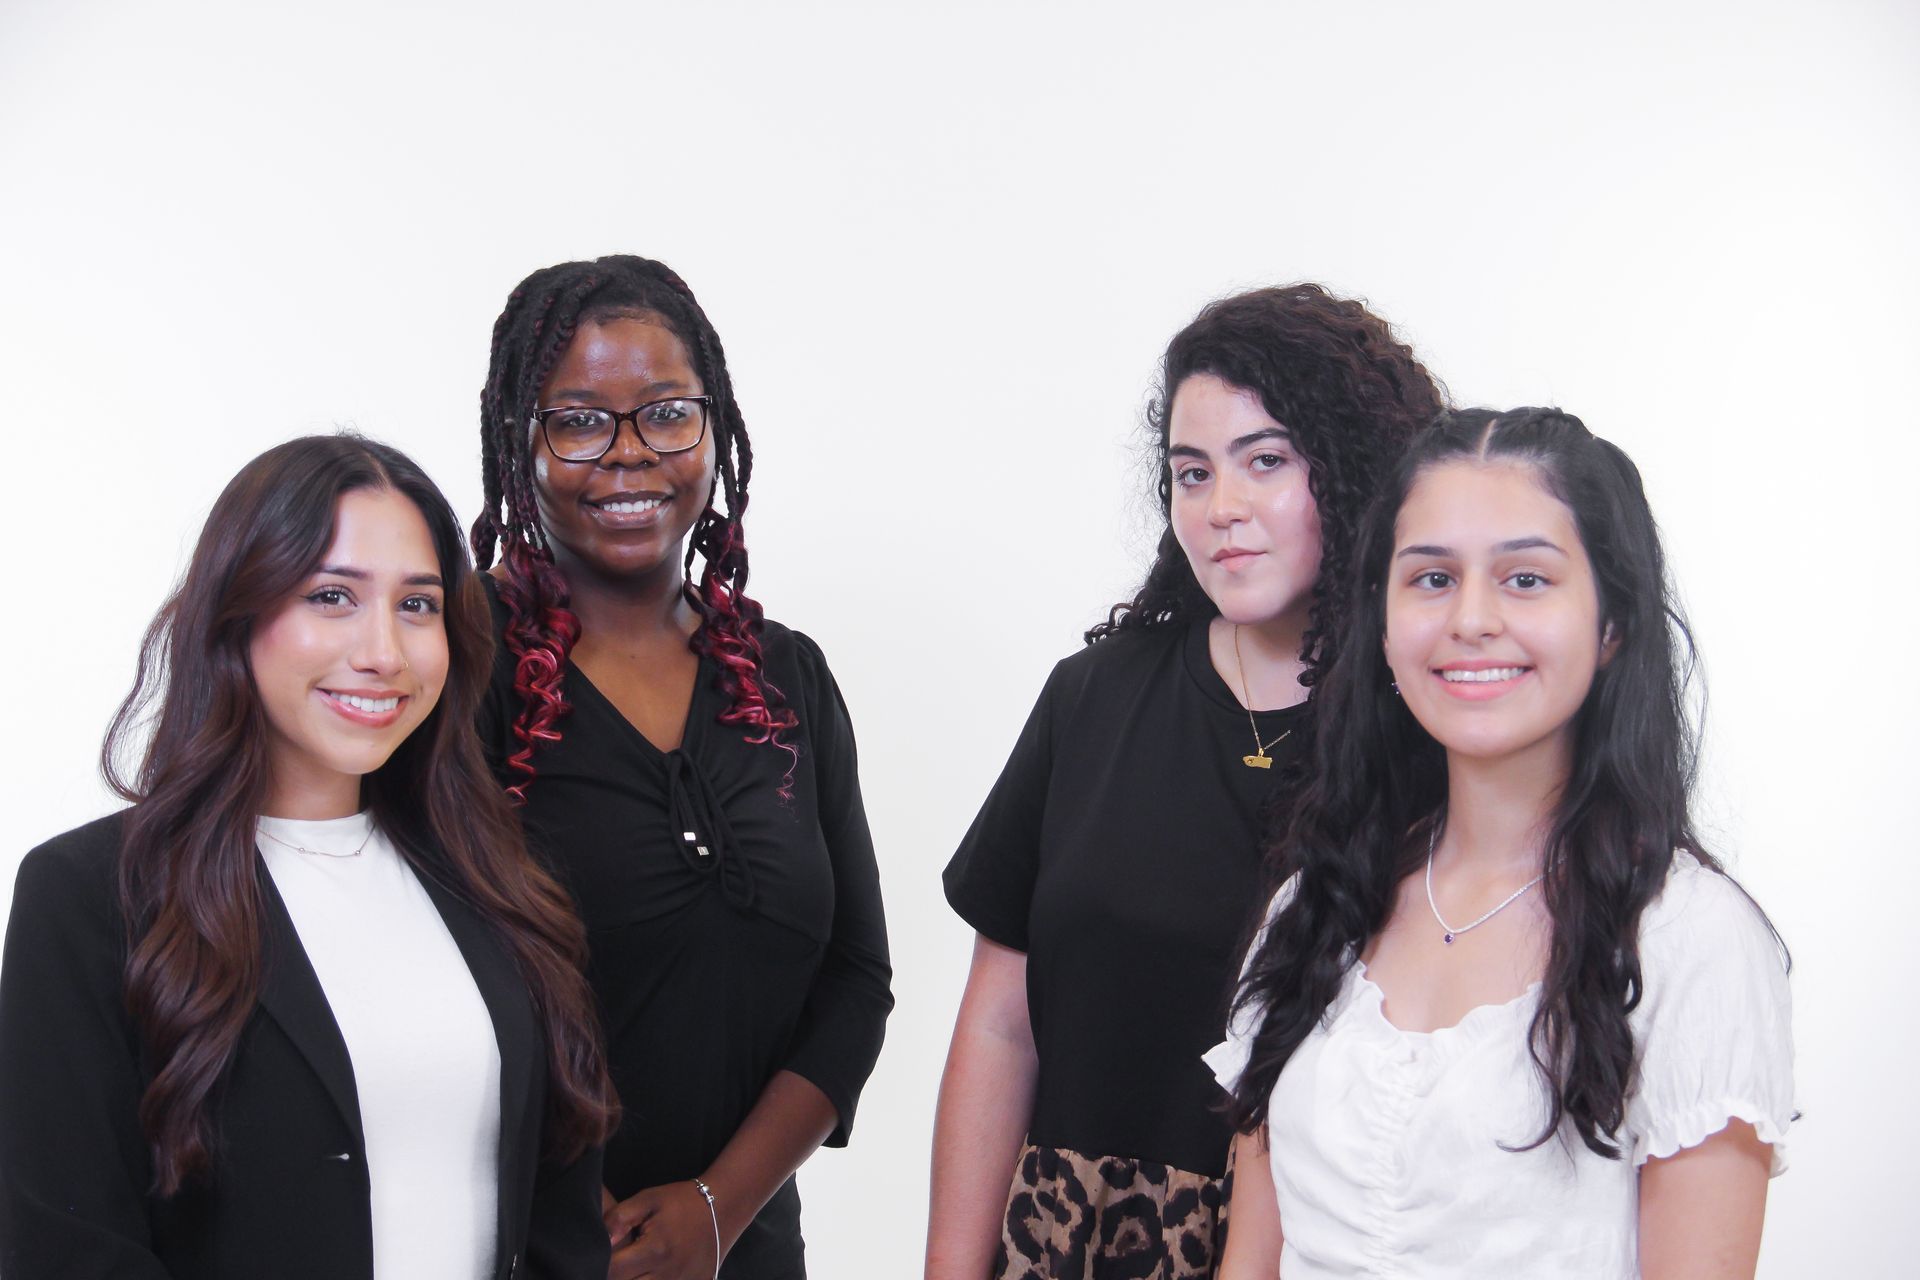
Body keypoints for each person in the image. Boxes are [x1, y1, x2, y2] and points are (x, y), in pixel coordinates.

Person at [0, 435, 617, 1280]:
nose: (383, 653)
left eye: (418, 605)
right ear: (237, 615)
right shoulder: (89, 897)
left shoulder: (499, 887)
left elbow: (560, 1222)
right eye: (332, 596)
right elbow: (67, 1250)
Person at [929, 285, 1445, 1279]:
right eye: (1191, 473)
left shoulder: (1426, 729)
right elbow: (1000, 1021)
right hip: (1065, 1241)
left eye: (1266, 461)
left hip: (1315, 1250)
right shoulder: (1095, 696)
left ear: (1350, 470)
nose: (1223, 510)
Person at [1208, 408, 1795, 1279]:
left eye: (1525, 579)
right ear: (1381, 621)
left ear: (1612, 625)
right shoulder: (1316, 905)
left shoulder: (1691, 940)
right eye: (1432, 579)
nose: (1471, 619)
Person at [470, 255, 893, 1280]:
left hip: (745, 1245)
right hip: (522, 1246)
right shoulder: (459, 666)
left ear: (714, 427)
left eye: (665, 413)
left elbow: (856, 980)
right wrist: (571, 1218)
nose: (628, 456)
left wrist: (719, 1207)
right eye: (577, 420)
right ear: (517, 442)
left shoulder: (786, 674)